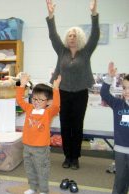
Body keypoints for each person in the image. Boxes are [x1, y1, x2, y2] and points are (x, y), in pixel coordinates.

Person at [46, 0, 100, 169]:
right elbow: (52, 35)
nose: (72, 38)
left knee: (77, 126)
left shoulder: (86, 51)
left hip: (80, 93)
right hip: (63, 93)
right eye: (70, 35)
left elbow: (96, 35)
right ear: (66, 38)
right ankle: (67, 156)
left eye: (75, 35)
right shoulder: (61, 50)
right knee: (65, 125)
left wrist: (93, 14)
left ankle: (75, 158)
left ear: (80, 38)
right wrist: (51, 15)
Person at [16, 73, 61, 194]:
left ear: (48, 102)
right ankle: (32, 187)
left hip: (41, 148)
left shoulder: (48, 112)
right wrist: (22, 85)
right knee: (29, 168)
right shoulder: (29, 108)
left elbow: (57, 105)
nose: (36, 102)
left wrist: (56, 88)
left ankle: (44, 190)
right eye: (34, 98)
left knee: (42, 169)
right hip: (27, 145)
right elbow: (19, 100)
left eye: (40, 100)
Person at [100, 62, 129, 194]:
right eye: (125, 88)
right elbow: (104, 94)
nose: (126, 91)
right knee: (120, 178)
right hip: (120, 150)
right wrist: (109, 78)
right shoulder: (118, 104)